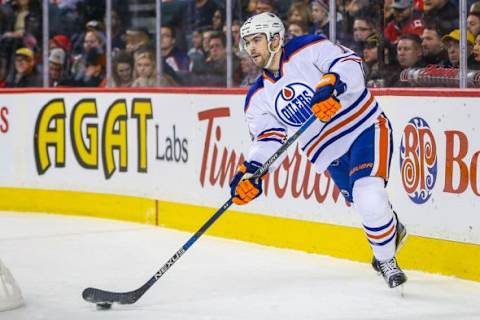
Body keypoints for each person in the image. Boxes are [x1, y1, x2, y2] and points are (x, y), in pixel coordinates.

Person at [230, 12, 408, 289]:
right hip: (327, 152)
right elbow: (268, 138)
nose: (250, 48)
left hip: (364, 127)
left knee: (369, 194)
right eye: (247, 42)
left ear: (275, 39)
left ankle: (385, 260)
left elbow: (349, 63)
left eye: (256, 40)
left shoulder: (307, 48)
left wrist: (332, 85)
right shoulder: (258, 97)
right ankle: (391, 228)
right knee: (366, 205)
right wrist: (252, 171)